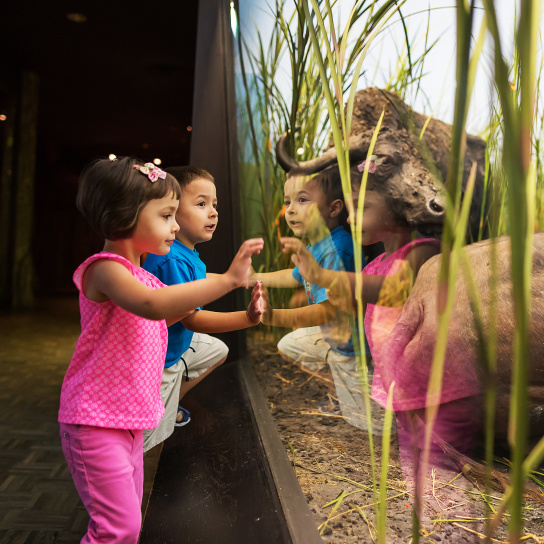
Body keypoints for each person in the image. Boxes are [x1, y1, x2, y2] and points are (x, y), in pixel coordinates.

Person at [58, 156, 263, 543]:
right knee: (117, 529)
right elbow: (155, 306)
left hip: (128, 420)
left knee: (126, 525)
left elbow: (172, 311)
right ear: (124, 218)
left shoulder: (142, 275)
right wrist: (231, 280)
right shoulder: (106, 269)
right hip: (96, 420)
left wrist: (246, 317)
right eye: (166, 215)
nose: (174, 226)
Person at [280, 156, 480, 475]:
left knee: (440, 456)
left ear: (401, 208)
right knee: (415, 450)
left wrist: (325, 276)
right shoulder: (378, 261)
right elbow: (370, 304)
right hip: (400, 378)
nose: (350, 217)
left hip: (432, 383)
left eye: (361, 207)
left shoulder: (423, 251)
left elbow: (397, 291)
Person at [142, 166, 263, 452]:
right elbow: (193, 319)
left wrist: (230, 282)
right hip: (158, 362)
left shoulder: (185, 252)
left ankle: (171, 403)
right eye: (201, 204)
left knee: (216, 350)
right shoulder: (172, 259)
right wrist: (246, 318)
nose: (213, 212)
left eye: (214, 204)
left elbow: (195, 283)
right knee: (146, 442)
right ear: (171, 212)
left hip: (173, 346)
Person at [254, 164, 368, 425]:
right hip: (331, 335)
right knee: (288, 345)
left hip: (352, 346)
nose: (290, 209)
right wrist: (254, 278)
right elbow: (294, 276)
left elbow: (327, 310)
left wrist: (274, 316)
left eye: (302, 200)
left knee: (364, 424)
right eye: (288, 201)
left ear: (334, 208)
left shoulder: (337, 250)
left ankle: (349, 386)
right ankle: (336, 388)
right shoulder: (319, 243)